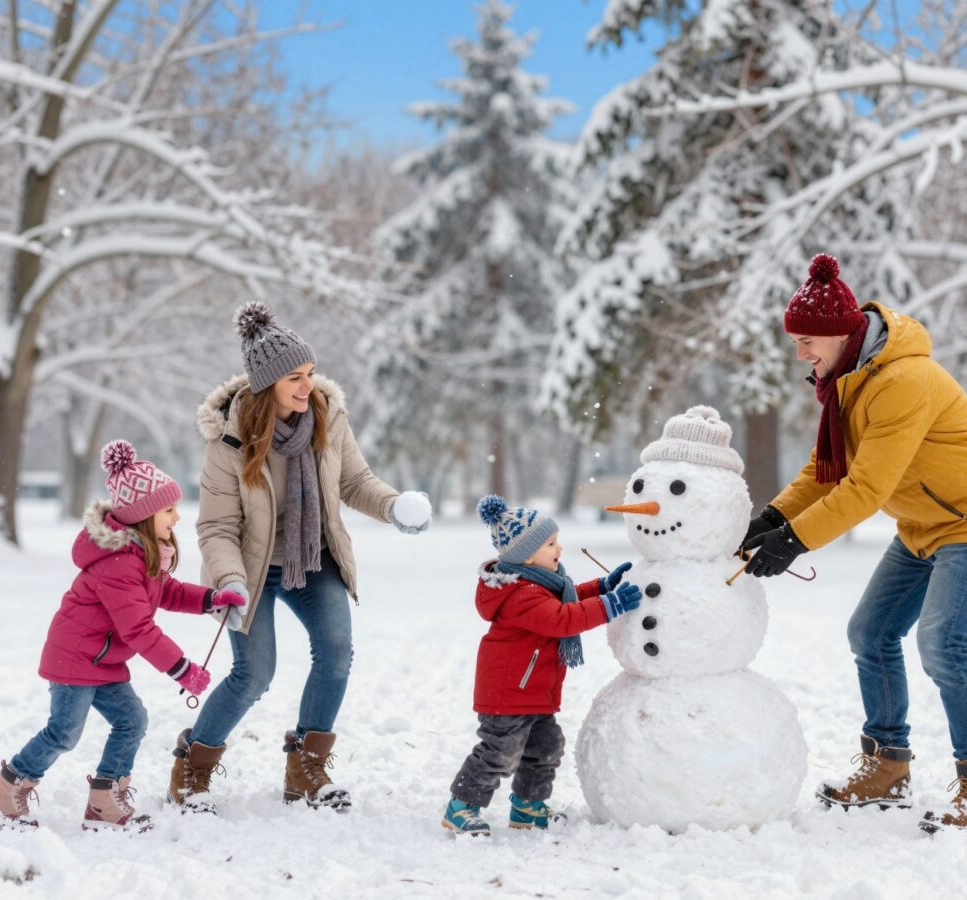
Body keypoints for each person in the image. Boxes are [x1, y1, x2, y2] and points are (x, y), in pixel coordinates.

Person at [742, 254, 967, 832]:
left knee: (943, 643)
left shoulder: (902, 381)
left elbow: (866, 489)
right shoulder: (850, 381)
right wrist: (771, 518)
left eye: (805, 342)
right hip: (925, 525)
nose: (800, 354)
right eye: (795, 343)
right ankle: (888, 766)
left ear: (837, 334)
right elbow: (827, 471)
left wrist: (792, 541)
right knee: (870, 633)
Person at [168, 301, 431, 815]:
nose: (308, 385)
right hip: (250, 569)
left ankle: (305, 769)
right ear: (268, 384)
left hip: (311, 558)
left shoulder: (327, 417)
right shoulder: (229, 440)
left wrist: (394, 505)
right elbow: (216, 527)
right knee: (254, 674)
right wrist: (229, 580)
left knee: (336, 652)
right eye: (295, 377)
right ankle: (191, 767)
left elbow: (354, 481)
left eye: (310, 372)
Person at [0, 441, 243, 832]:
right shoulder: (119, 563)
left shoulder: (142, 554)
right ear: (144, 515)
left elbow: (166, 592)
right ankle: (5, 790)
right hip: (75, 658)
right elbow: (138, 628)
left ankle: (104, 802)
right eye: (168, 510)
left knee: (132, 720)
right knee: (64, 732)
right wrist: (182, 669)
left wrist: (210, 599)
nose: (176, 517)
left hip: (102, 660)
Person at [441, 495, 641, 836]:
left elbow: (566, 600)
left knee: (545, 747)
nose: (559, 548)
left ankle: (527, 806)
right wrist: (609, 605)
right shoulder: (521, 595)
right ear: (526, 556)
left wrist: (602, 588)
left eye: (556, 540)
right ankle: (461, 806)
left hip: (531, 691)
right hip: (507, 693)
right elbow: (562, 618)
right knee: (499, 753)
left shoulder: (539, 584)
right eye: (550, 544)